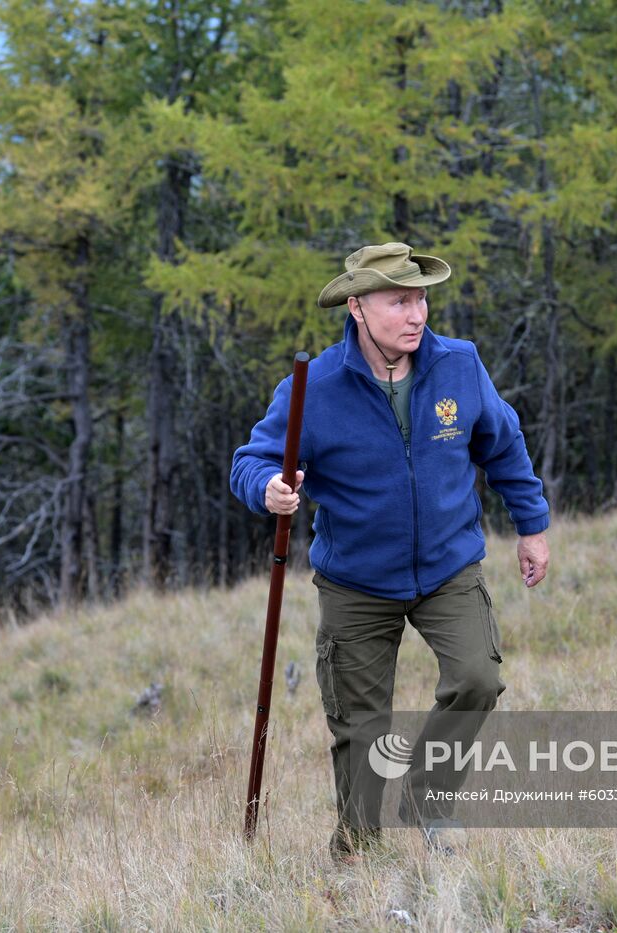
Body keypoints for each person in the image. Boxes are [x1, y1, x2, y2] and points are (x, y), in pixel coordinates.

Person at [229, 241, 550, 863]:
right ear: (356, 307)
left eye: (421, 297)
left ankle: (429, 797)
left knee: (478, 680)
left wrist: (532, 525)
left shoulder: (460, 363)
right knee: (360, 728)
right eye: (398, 300)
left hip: (448, 566)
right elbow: (255, 459)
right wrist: (269, 489)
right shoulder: (314, 386)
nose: (417, 313)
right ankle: (357, 852)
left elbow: (503, 443)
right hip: (355, 581)